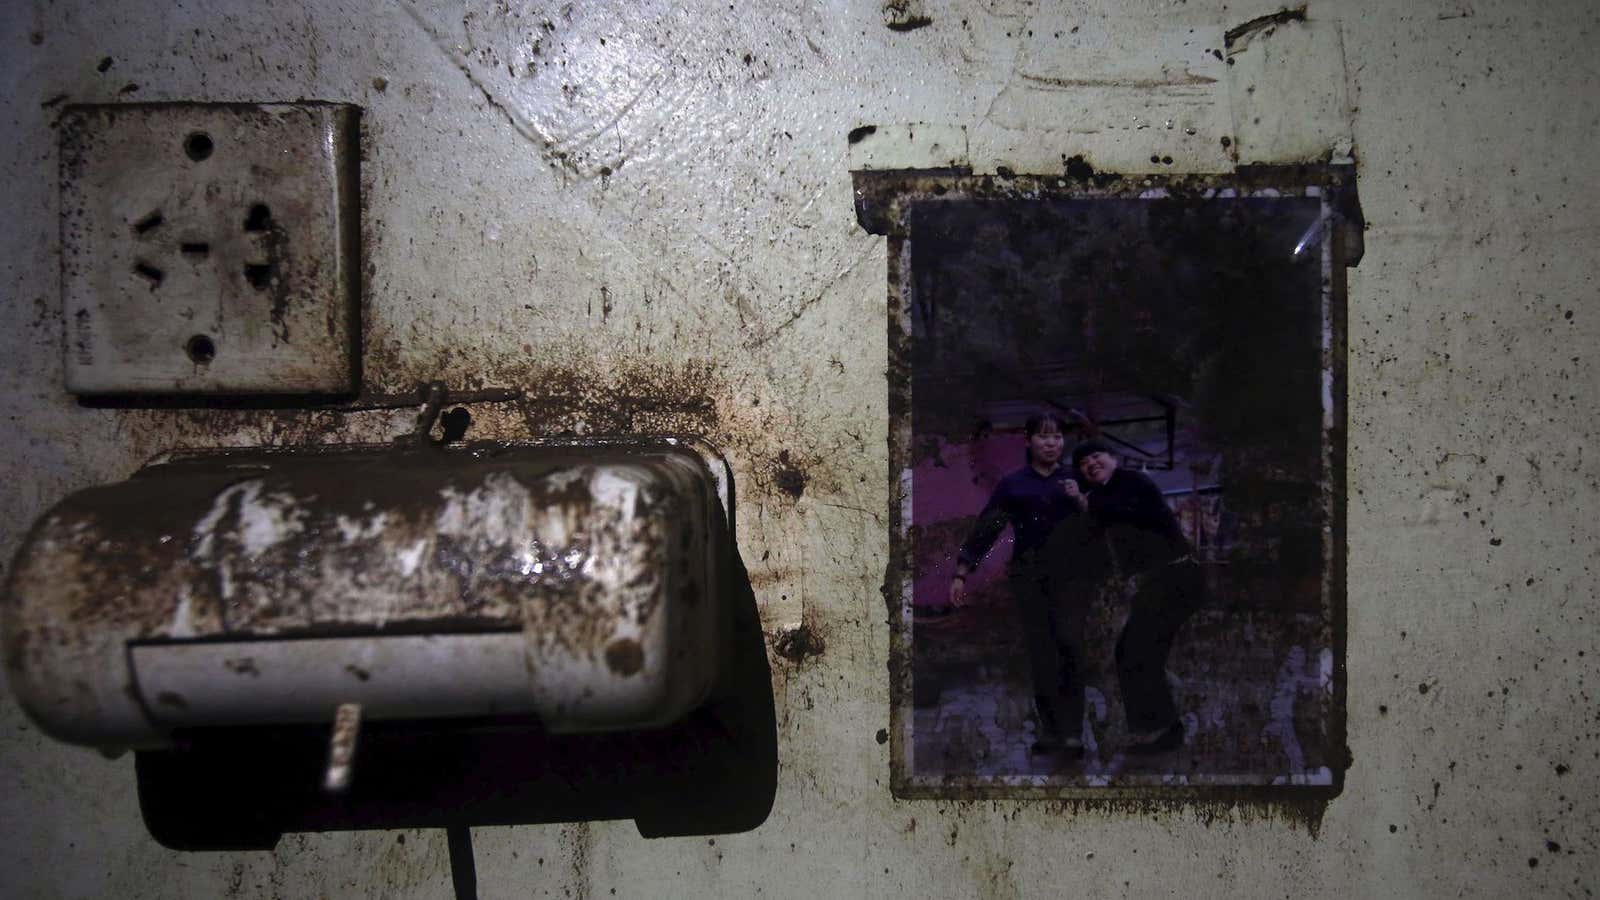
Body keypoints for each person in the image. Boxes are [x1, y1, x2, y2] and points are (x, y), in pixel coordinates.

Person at [948, 413, 1100, 757]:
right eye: (1044, 436)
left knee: (1070, 647)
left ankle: (1074, 733)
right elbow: (987, 528)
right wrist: (961, 572)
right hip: (1030, 579)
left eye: (1058, 436)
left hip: (1072, 580)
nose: (1052, 443)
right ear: (1028, 440)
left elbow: (1102, 521)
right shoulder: (1013, 484)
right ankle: (1051, 733)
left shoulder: (1076, 479)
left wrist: (1082, 501)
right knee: (1042, 655)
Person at [1065, 439, 1205, 754]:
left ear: (1113, 458)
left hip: (1177, 577)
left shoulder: (1131, 482)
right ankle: (1161, 727)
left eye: (1096, 455)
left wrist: (1088, 503)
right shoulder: (1104, 495)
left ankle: (1161, 730)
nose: (1091, 463)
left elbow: (1132, 512)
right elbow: (1090, 536)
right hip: (1159, 582)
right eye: (1084, 463)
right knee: (1133, 652)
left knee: (1138, 652)